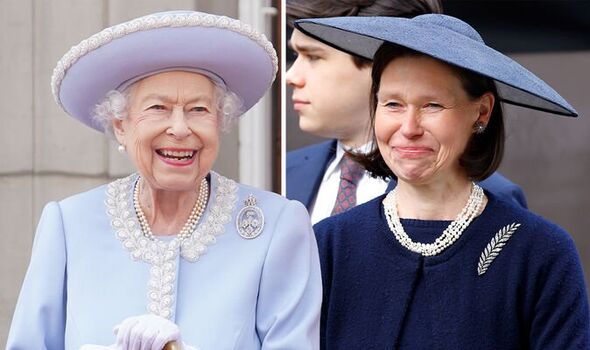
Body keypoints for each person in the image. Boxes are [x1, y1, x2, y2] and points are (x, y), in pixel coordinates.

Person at [7, 11, 321, 350]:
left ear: (220, 122)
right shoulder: (69, 224)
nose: (181, 128)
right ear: (120, 125)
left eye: (198, 110)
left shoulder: (277, 226)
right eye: (158, 108)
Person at [294, 14, 590, 349]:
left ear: (481, 113)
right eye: (392, 104)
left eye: (431, 105)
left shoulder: (540, 252)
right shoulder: (331, 243)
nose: (409, 127)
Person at [285, 0, 527, 224]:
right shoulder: (283, 175)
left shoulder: (490, 200)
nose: (291, 76)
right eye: (296, 55)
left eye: (313, 56)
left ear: (378, 55)